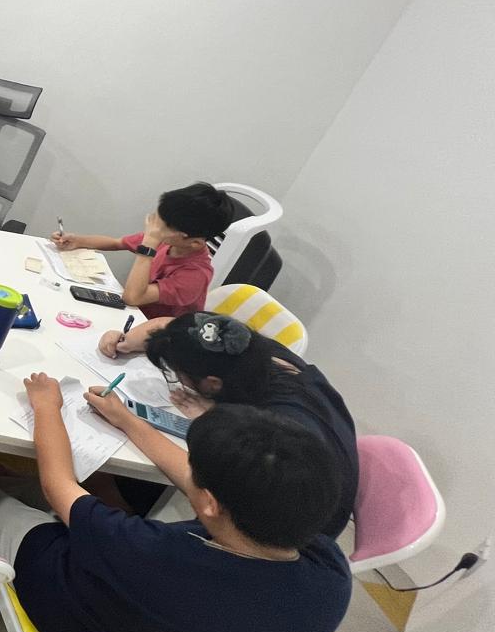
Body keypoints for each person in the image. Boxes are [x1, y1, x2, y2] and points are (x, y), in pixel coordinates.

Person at [0, 376, 351, 632]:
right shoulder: (330, 574)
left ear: (209, 504)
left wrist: (47, 407)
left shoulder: (147, 549)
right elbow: (201, 487)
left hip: (80, 626)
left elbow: (58, 485)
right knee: (56, 502)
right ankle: (8, 493)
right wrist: (127, 420)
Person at [115, 313, 357, 537]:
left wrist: (126, 420)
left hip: (287, 533)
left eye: (178, 374)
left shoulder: (272, 428)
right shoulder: (246, 349)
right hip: (308, 488)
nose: (179, 380)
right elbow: (168, 325)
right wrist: (126, 342)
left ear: (212, 383)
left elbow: (198, 481)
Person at [52, 181, 234, 318]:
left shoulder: (195, 275)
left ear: (194, 242)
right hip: (132, 314)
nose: (152, 228)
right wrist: (78, 240)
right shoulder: (167, 239)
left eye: (160, 227)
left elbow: (133, 297)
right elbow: (116, 243)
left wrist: (149, 246)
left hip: (158, 338)